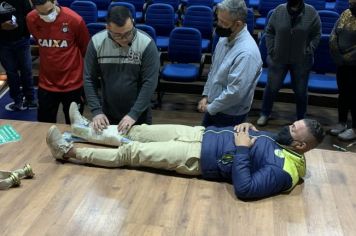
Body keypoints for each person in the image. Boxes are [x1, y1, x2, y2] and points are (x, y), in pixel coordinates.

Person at [46, 102, 325, 200]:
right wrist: (252, 131)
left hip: (197, 158)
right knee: (137, 131)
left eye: (292, 130)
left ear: (301, 146)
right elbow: (266, 143)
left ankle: (69, 151)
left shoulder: (284, 172)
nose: (286, 127)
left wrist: (241, 149)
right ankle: (83, 129)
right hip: (201, 134)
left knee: (132, 154)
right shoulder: (283, 142)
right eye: (292, 123)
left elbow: (246, 189)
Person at [84, 6, 160, 134]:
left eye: (128, 33)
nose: (125, 38)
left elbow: (150, 83)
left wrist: (133, 114)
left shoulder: (146, 43)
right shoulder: (96, 42)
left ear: (133, 22)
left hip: (139, 115)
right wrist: (96, 111)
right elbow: (89, 79)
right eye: (118, 35)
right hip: (108, 114)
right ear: (107, 28)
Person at [197, 0, 262, 128]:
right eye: (218, 20)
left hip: (230, 115)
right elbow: (214, 70)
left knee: (220, 147)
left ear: (238, 24)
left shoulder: (247, 53)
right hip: (214, 106)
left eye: (223, 23)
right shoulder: (224, 38)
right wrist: (206, 96)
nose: (218, 25)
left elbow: (235, 93)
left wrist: (210, 107)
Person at [257, 0, 321, 126]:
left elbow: (317, 34)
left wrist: (309, 50)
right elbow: (269, 31)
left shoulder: (311, 12)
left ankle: (301, 118)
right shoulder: (279, 10)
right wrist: (271, 50)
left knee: (301, 91)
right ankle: (265, 113)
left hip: (301, 60)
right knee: (271, 88)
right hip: (278, 58)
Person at [26, 0, 90, 124]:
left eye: (50, 11)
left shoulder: (75, 20)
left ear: (54, 1)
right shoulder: (31, 19)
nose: (47, 16)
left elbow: (85, 48)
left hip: (73, 84)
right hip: (46, 84)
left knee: (75, 126)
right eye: (41, 13)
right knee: (44, 126)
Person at [0, 0, 36, 111]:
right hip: (3, 42)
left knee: (27, 70)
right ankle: (17, 100)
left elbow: (30, 16)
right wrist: (1, 26)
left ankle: (30, 99)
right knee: (11, 73)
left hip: (22, 40)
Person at [329, 0, 356, 141]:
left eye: (353, 4)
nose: (350, 6)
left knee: (354, 96)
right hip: (342, 64)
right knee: (343, 93)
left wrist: (347, 57)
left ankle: (355, 128)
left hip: (354, 64)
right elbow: (334, 33)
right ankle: (342, 122)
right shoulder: (346, 13)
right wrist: (337, 53)